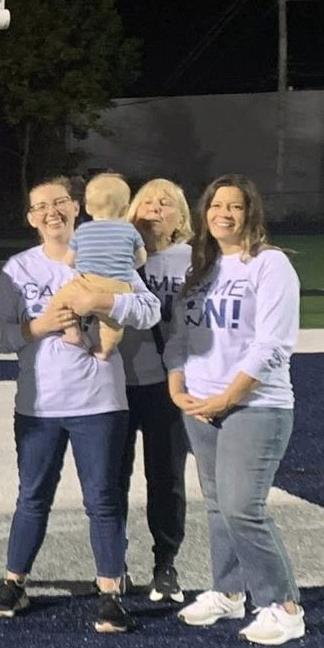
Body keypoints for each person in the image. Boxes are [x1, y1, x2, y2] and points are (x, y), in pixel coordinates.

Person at [0, 177, 162, 634]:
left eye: (59, 202)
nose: (51, 212)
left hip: (99, 401)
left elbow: (148, 310)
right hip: (39, 404)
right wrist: (39, 325)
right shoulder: (18, 268)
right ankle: (13, 581)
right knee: (32, 497)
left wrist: (103, 300)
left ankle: (110, 592)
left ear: (76, 208)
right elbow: (1, 337)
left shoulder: (106, 255)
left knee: (103, 500)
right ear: (30, 218)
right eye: (40, 206)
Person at [167, 174, 307, 645]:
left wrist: (228, 396)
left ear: (252, 213)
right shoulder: (202, 267)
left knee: (242, 507)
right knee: (215, 506)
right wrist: (176, 384)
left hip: (255, 405)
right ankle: (228, 592)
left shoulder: (270, 266)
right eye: (215, 205)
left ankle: (283, 604)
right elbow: (182, 336)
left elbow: (273, 345)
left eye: (235, 206)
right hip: (200, 403)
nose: (224, 214)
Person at [118, 177, 194, 603]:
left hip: (169, 384)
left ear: (180, 217)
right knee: (113, 478)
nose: (154, 207)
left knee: (166, 478)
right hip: (117, 382)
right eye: (146, 200)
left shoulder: (194, 259)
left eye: (165, 202)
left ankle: (166, 565)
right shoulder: (115, 255)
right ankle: (114, 564)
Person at [47, 172, 145, 358]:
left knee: (58, 302)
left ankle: (72, 331)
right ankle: (104, 349)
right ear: (125, 209)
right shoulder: (129, 230)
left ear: (88, 208)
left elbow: (69, 260)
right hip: (118, 286)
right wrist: (127, 266)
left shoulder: (83, 230)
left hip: (88, 282)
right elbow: (141, 257)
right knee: (113, 324)